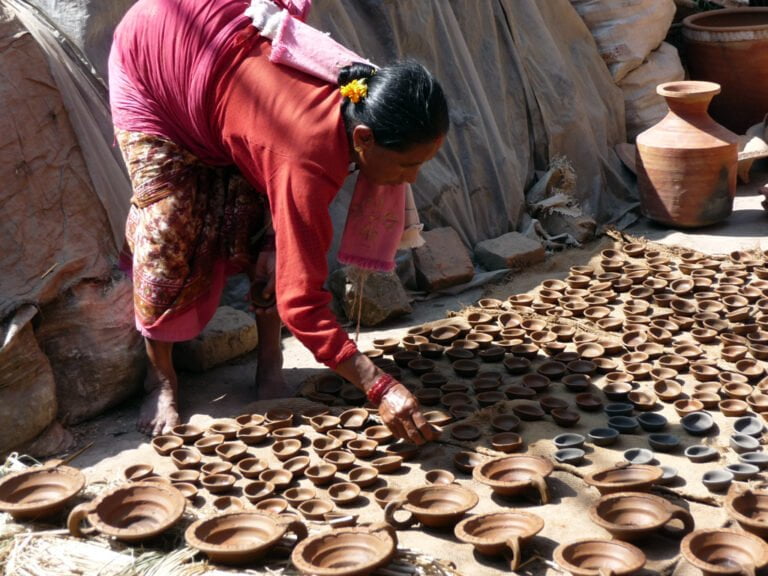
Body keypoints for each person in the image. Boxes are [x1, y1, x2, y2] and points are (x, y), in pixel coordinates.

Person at [108, 0, 449, 443]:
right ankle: (162, 379)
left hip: (234, 72)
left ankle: (270, 360)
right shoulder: (304, 161)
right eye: (407, 165)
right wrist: (378, 385)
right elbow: (301, 304)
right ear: (363, 139)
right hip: (156, 59)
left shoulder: (365, 91)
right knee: (168, 230)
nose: (411, 179)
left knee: (267, 233)